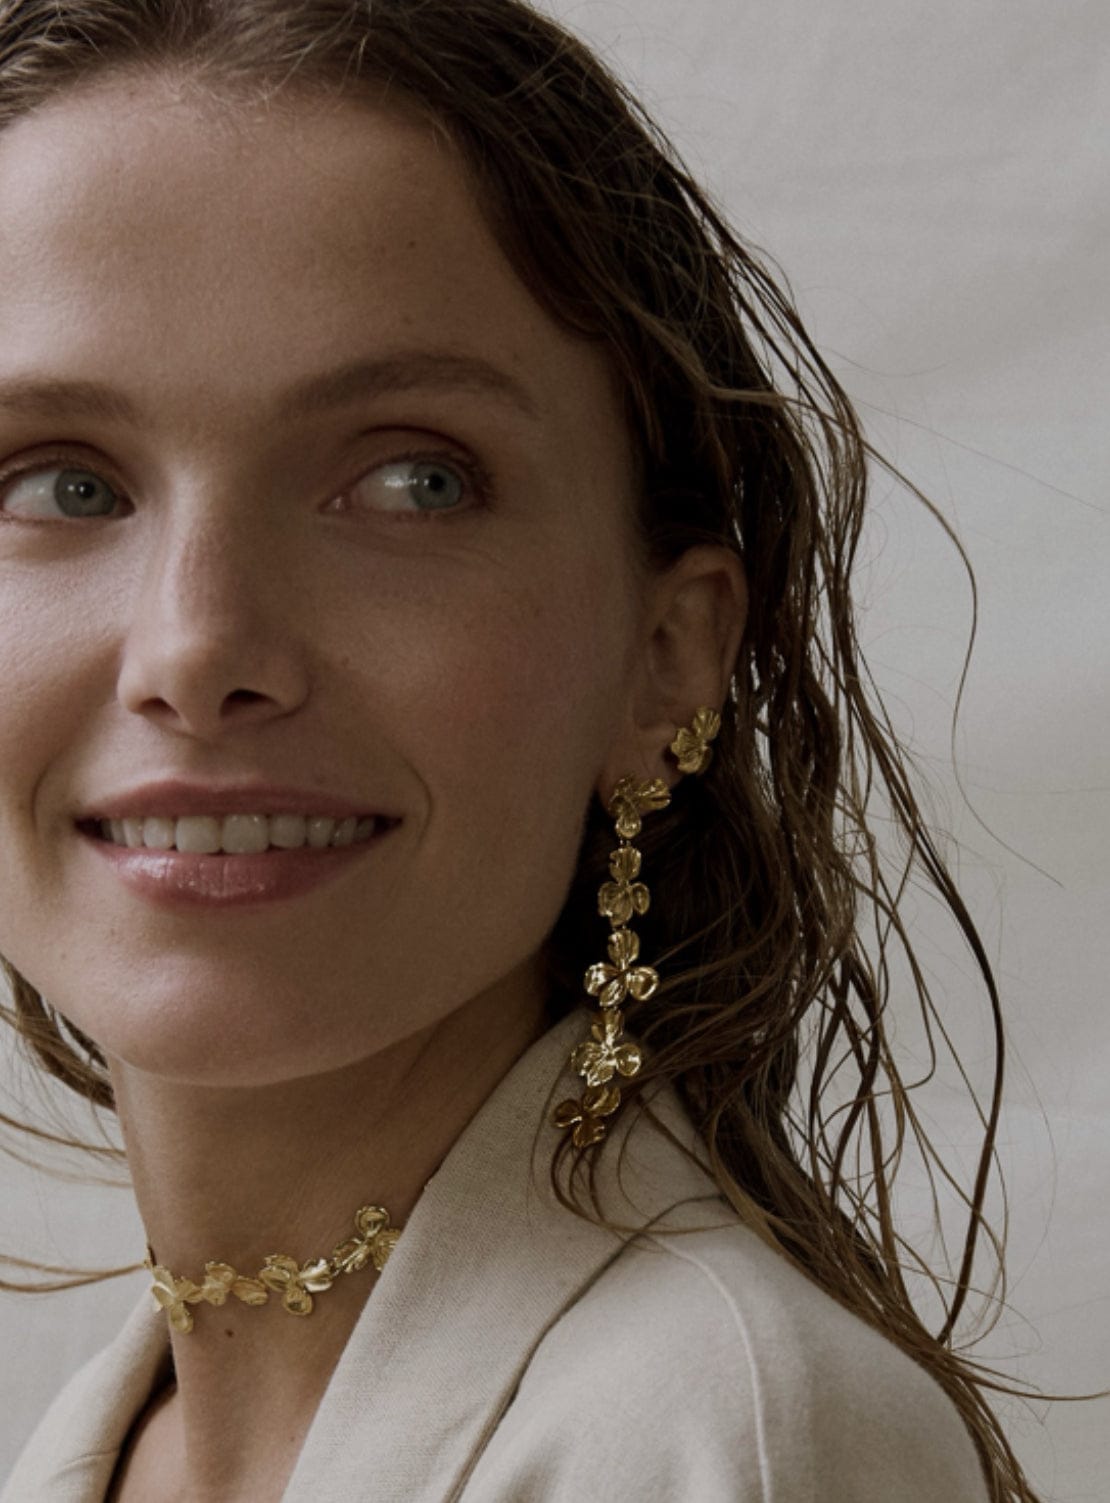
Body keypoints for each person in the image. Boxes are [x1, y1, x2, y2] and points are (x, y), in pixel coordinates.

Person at [0, 1, 1054, 1499]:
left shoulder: (716, 1444)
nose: (197, 652)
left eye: (413, 482)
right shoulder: (123, 1439)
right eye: (61, 484)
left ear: (664, 653)